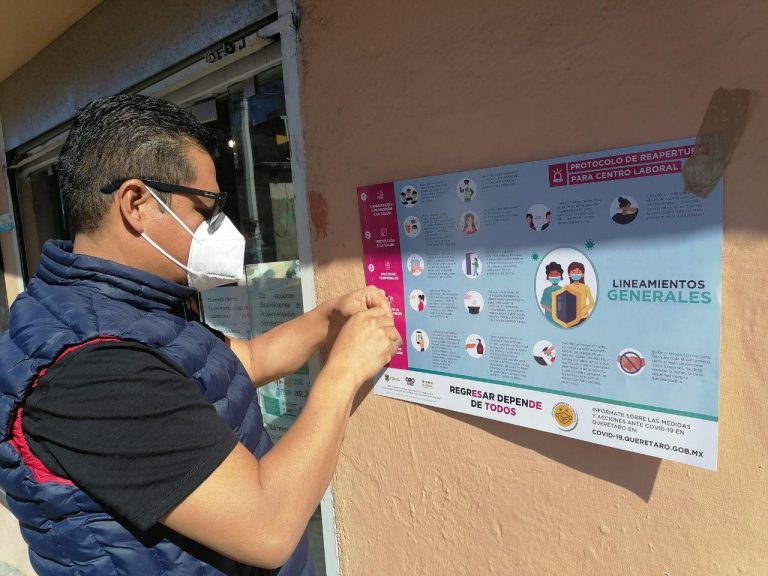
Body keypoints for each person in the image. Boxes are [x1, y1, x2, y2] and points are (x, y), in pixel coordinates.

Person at [0, 94, 401, 575]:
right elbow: (266, 526)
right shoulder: (92, 370)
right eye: (204, 208)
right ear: (136, 204)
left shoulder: (127, 307)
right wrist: (344, 373)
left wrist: (325, 321)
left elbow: (238, 364)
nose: (220, 229)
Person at [539, 261, 563, 326]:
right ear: (548, 277)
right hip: (549, 317)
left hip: (560, 318)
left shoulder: (563, 290)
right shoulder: (546, 290)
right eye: (551, 274)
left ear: (561, 276)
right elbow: (543, 304)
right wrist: (551, 310)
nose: (554, 276)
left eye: (557, 274)